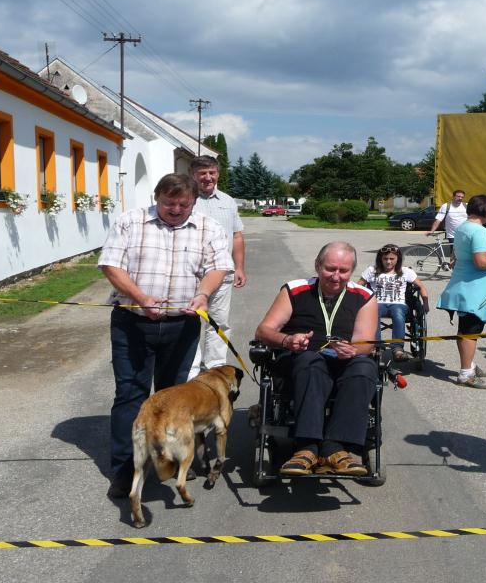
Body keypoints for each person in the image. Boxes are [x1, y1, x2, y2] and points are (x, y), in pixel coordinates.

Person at [98, 173, 233, 498]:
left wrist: (202, 294)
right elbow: (110, 265)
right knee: (131, 395)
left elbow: (219, 267)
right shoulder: (131, 222)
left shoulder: (207, 227)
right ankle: (125, 469)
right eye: (168, 203)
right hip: (133, 323)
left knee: (174, 398)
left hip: (182, 325)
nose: (175, 209)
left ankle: (168, 460)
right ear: (156, 198)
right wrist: (141, 298)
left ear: (194, 203)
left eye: (182, 204)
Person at [254, 242, 379, 477]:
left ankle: (335, 449)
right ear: (317, 266)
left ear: (352, 271)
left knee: (365, 367)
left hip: (344, 361)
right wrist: (287, 340)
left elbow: (365, 342)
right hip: (301, 358)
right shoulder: (294, 290)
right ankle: (306, 448)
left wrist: (353, 350)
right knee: (311, 362)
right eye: (330, 269)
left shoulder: (364, 296)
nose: (336, 276)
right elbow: (263, 331)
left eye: (343, 271)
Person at [437, 194, 486, 389]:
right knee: (471, 332)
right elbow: (481, 263)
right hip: (475, 289)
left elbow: (458, 257)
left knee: (465, 330)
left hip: (462, 285)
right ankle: (466, 374)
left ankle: (468, 364)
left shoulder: (462, 227)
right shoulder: (479, 231)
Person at [187, 156, 247, 378]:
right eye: (202, 173)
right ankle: (191, 371)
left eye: (212, 172)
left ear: (218, 174)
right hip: (193, 275)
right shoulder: (187, 199)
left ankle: (214, 366)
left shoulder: (228, 201)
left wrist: (239, 267)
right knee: (191, 321)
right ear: (193, 175)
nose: (208, 177)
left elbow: (237, 236)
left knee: (219, 322)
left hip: (224, 273)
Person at [358, 244, 429, 362]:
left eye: (392, 259)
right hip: (377, 303)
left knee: (398, 313)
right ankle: (376, 346)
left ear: (398, 259)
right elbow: (358, 285)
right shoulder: (372, 270)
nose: (388, 262)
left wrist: (425, 303)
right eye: (385, 259)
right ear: (380, 259)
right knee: (373, 312)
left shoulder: (406, 271)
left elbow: (421, 286)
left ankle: (397, 349)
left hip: (399, 304)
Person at [428, 190, 468, 265]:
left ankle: (456, 269)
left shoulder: (466, 206)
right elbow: (438, 219)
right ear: (453, 196)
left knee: (464, 254)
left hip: (465, 235)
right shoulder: (446, 206)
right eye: (458, 196)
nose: (460, 198)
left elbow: (473, 219)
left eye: (462, 197)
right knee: (454, 252)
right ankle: (453, 271)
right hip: (452, 234)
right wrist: (432, 231)